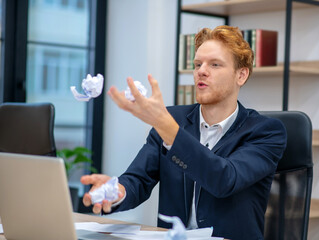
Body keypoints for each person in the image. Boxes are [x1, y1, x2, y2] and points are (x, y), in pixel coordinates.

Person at [81, 25, 287, 240]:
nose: (201, 71)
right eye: (198, 64)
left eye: (215, 64)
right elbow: (138, 179)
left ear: (241, 75)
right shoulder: (171, 120)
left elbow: (225, 179)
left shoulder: (266, 132)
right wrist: (117, 191)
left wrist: (167, 128)